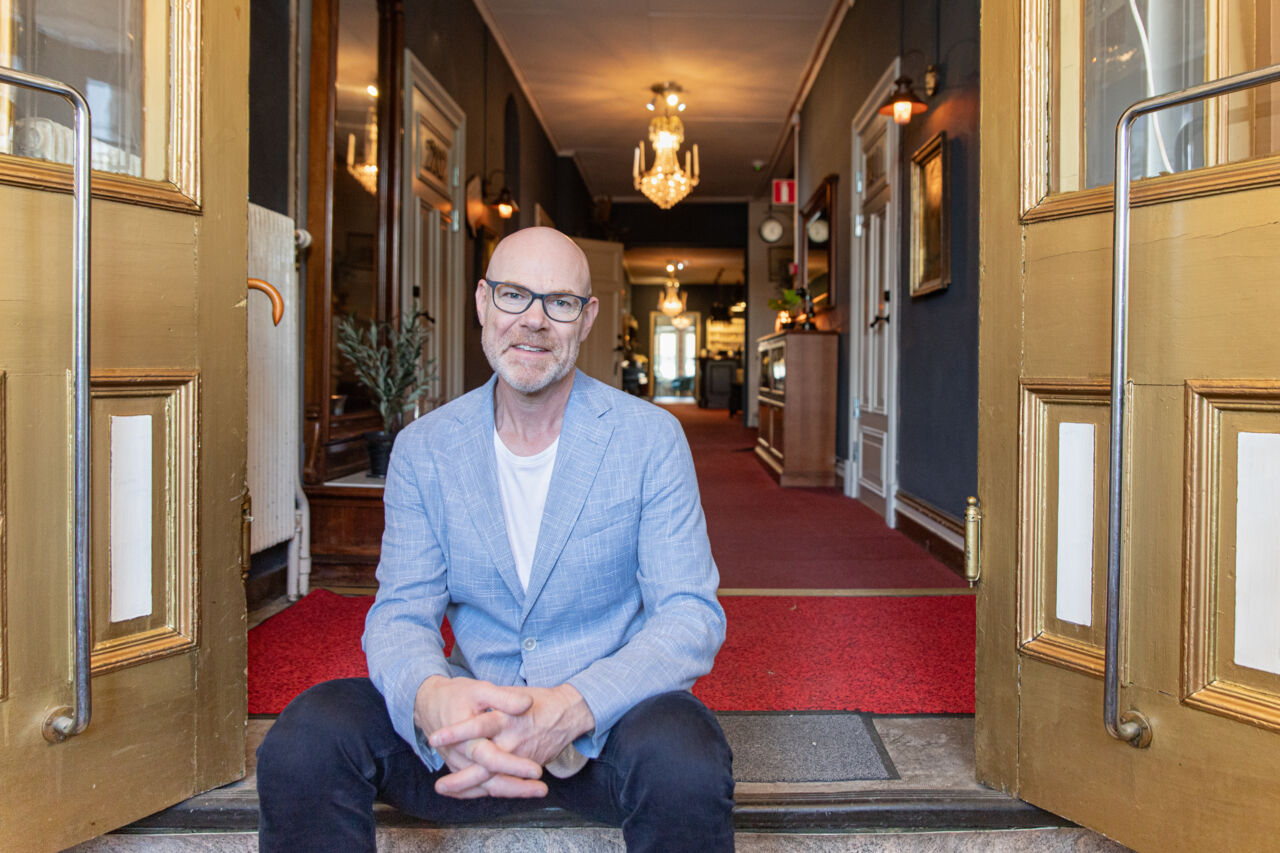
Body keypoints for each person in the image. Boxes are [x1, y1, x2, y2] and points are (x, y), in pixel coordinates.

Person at [257, 227, 733, 852]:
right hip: (465, 744)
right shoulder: (425, 449)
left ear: (587, 318)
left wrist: (570, 707)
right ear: (483, 302)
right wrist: (432, 698)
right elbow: (401, 613)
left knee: (687, 759)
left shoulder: (651, 439)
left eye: (559, 302)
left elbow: (690, 616)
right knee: (305, 740)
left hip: (602, 735)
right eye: (514, 295)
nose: (534, 320)